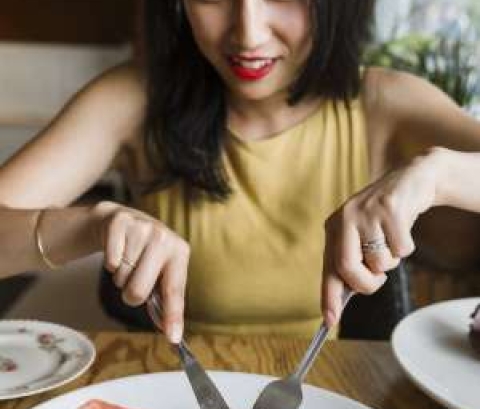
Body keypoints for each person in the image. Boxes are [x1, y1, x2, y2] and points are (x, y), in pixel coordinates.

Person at [0, 0, 480, 343]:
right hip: (169, 396)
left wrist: (438, 176)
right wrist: (90, 224)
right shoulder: (132, 99)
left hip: (326, 397)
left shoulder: (383, 102)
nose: (248, 32)